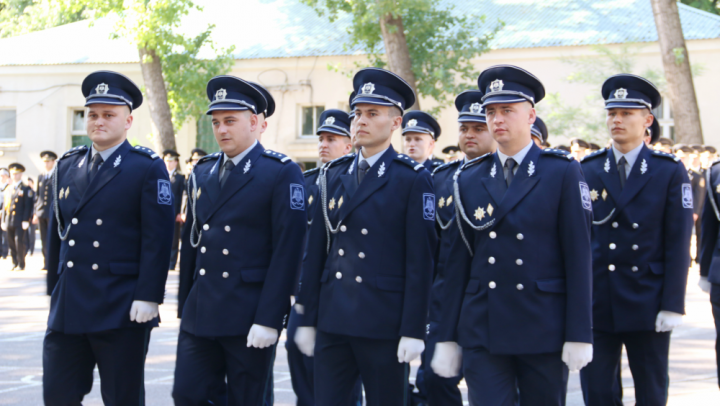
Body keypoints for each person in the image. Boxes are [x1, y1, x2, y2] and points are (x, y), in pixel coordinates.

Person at [431, 65, 594, 405]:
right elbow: (457, 262)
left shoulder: (560, 171)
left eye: (507, 110)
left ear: (531, 115)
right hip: (483, 325)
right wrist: (447, 337)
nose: (497, 119)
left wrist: (579, 333)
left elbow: (578, 256)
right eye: (491, 111)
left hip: (542, 325)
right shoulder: (469, 178)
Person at [294, 67, 436, 406]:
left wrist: (414, 329)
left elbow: (421, 261)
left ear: (396, 123)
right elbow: (316, 253)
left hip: (383, 323)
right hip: (333, 318)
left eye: (373, 114)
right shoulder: (333, 174)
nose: (360, 121)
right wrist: (308, 318)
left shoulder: (411, 179)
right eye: (357, 113)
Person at [172, 75, 306, 405]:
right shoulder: (202, 170)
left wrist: (270, 319)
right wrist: (185, 304)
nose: (221, 130)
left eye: (230, 121)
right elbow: (192, 241)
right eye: (216, 122)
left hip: (249, 313)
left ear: (257, 122)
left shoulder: (279, 171)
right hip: (201, 311)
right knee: (187, 395)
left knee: (247, 399)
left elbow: (288, 250)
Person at [42, 70, 175, 405]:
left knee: (122, 397)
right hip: (70, 304)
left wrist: (149, 296)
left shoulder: (145, 167)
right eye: (92, 114)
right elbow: (56, 232)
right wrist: (53, 287)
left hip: (120, 305)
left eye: (108, 115)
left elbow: (157, 238)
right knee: (58, 394)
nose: (98, 121)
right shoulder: (68, 165)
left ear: (128, 120)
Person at [579, 74, 693, 406]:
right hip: (598, 299)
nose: (617, 120)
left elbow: (677, 241)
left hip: (648, 299)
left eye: (626, 113)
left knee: (651, 390)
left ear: (647, 120)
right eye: (612, 113)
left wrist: (673, 303)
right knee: (598, 393)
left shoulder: (668, 170)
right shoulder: (587, 168)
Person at [423, 89, 497, 406]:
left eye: (478, 128)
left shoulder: (509, 178)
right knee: (433, 380)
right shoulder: (441, 178)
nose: (469, 135)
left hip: (492, 300)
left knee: (495, 386)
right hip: (444, 301)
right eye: (464, 128)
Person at [286, 108, 361, 406]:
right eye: (320, 139)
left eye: (331, 139)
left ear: (349, 143)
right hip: (308, 287)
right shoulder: (306, 183)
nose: (323, 145)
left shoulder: (356, 179)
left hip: (346, 287)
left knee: (343, 366)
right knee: (297, 349)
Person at [2, 163, 33, 270]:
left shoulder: (25, 188)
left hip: (20, 220)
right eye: (13, 174)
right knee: (10, 242)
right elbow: (6, 206)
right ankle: (14, 262)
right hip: (9, 220)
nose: (15, 176)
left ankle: (21, 263)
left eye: (17, 174)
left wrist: (26, 219)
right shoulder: (8, 189)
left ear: (21, 174)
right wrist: (3, 220)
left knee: (19, 242)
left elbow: (28, 206)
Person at [35, 151, 57, 280]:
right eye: (44, 161)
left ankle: (51, 262)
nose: (46, 164)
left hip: (52, 212)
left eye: (48, 161)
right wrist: (36, 211)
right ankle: (46, 263)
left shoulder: (56, 175)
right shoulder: (41, 176)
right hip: (41, 212)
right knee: (43, 239)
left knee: (51, 239)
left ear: (53, 161)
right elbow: (38, 195)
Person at [163, 150, 185, 271]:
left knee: (174, 239)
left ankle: (171, 263)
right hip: (162, 213)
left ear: (175, 162)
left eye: (171, 161)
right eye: (166, 161)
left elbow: (183, 195)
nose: (168, 164)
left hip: (174, 212)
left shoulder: (180, 178)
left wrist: (180, 212)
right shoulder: (160, 174)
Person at [26, 177, 36, 256]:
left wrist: (33, 215)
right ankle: (26, 248)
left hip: (32, 216)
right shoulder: (25, 192)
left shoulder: (34, 193)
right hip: (26, 216)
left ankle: (31, 249)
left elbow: (34, 205)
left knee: (31, 234)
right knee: (26, 234)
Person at [0, 168, 9, 260]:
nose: (1, 178)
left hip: (5, 213)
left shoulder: (9, 187)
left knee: (5, 234)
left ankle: (5, 252)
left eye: (3, 176)